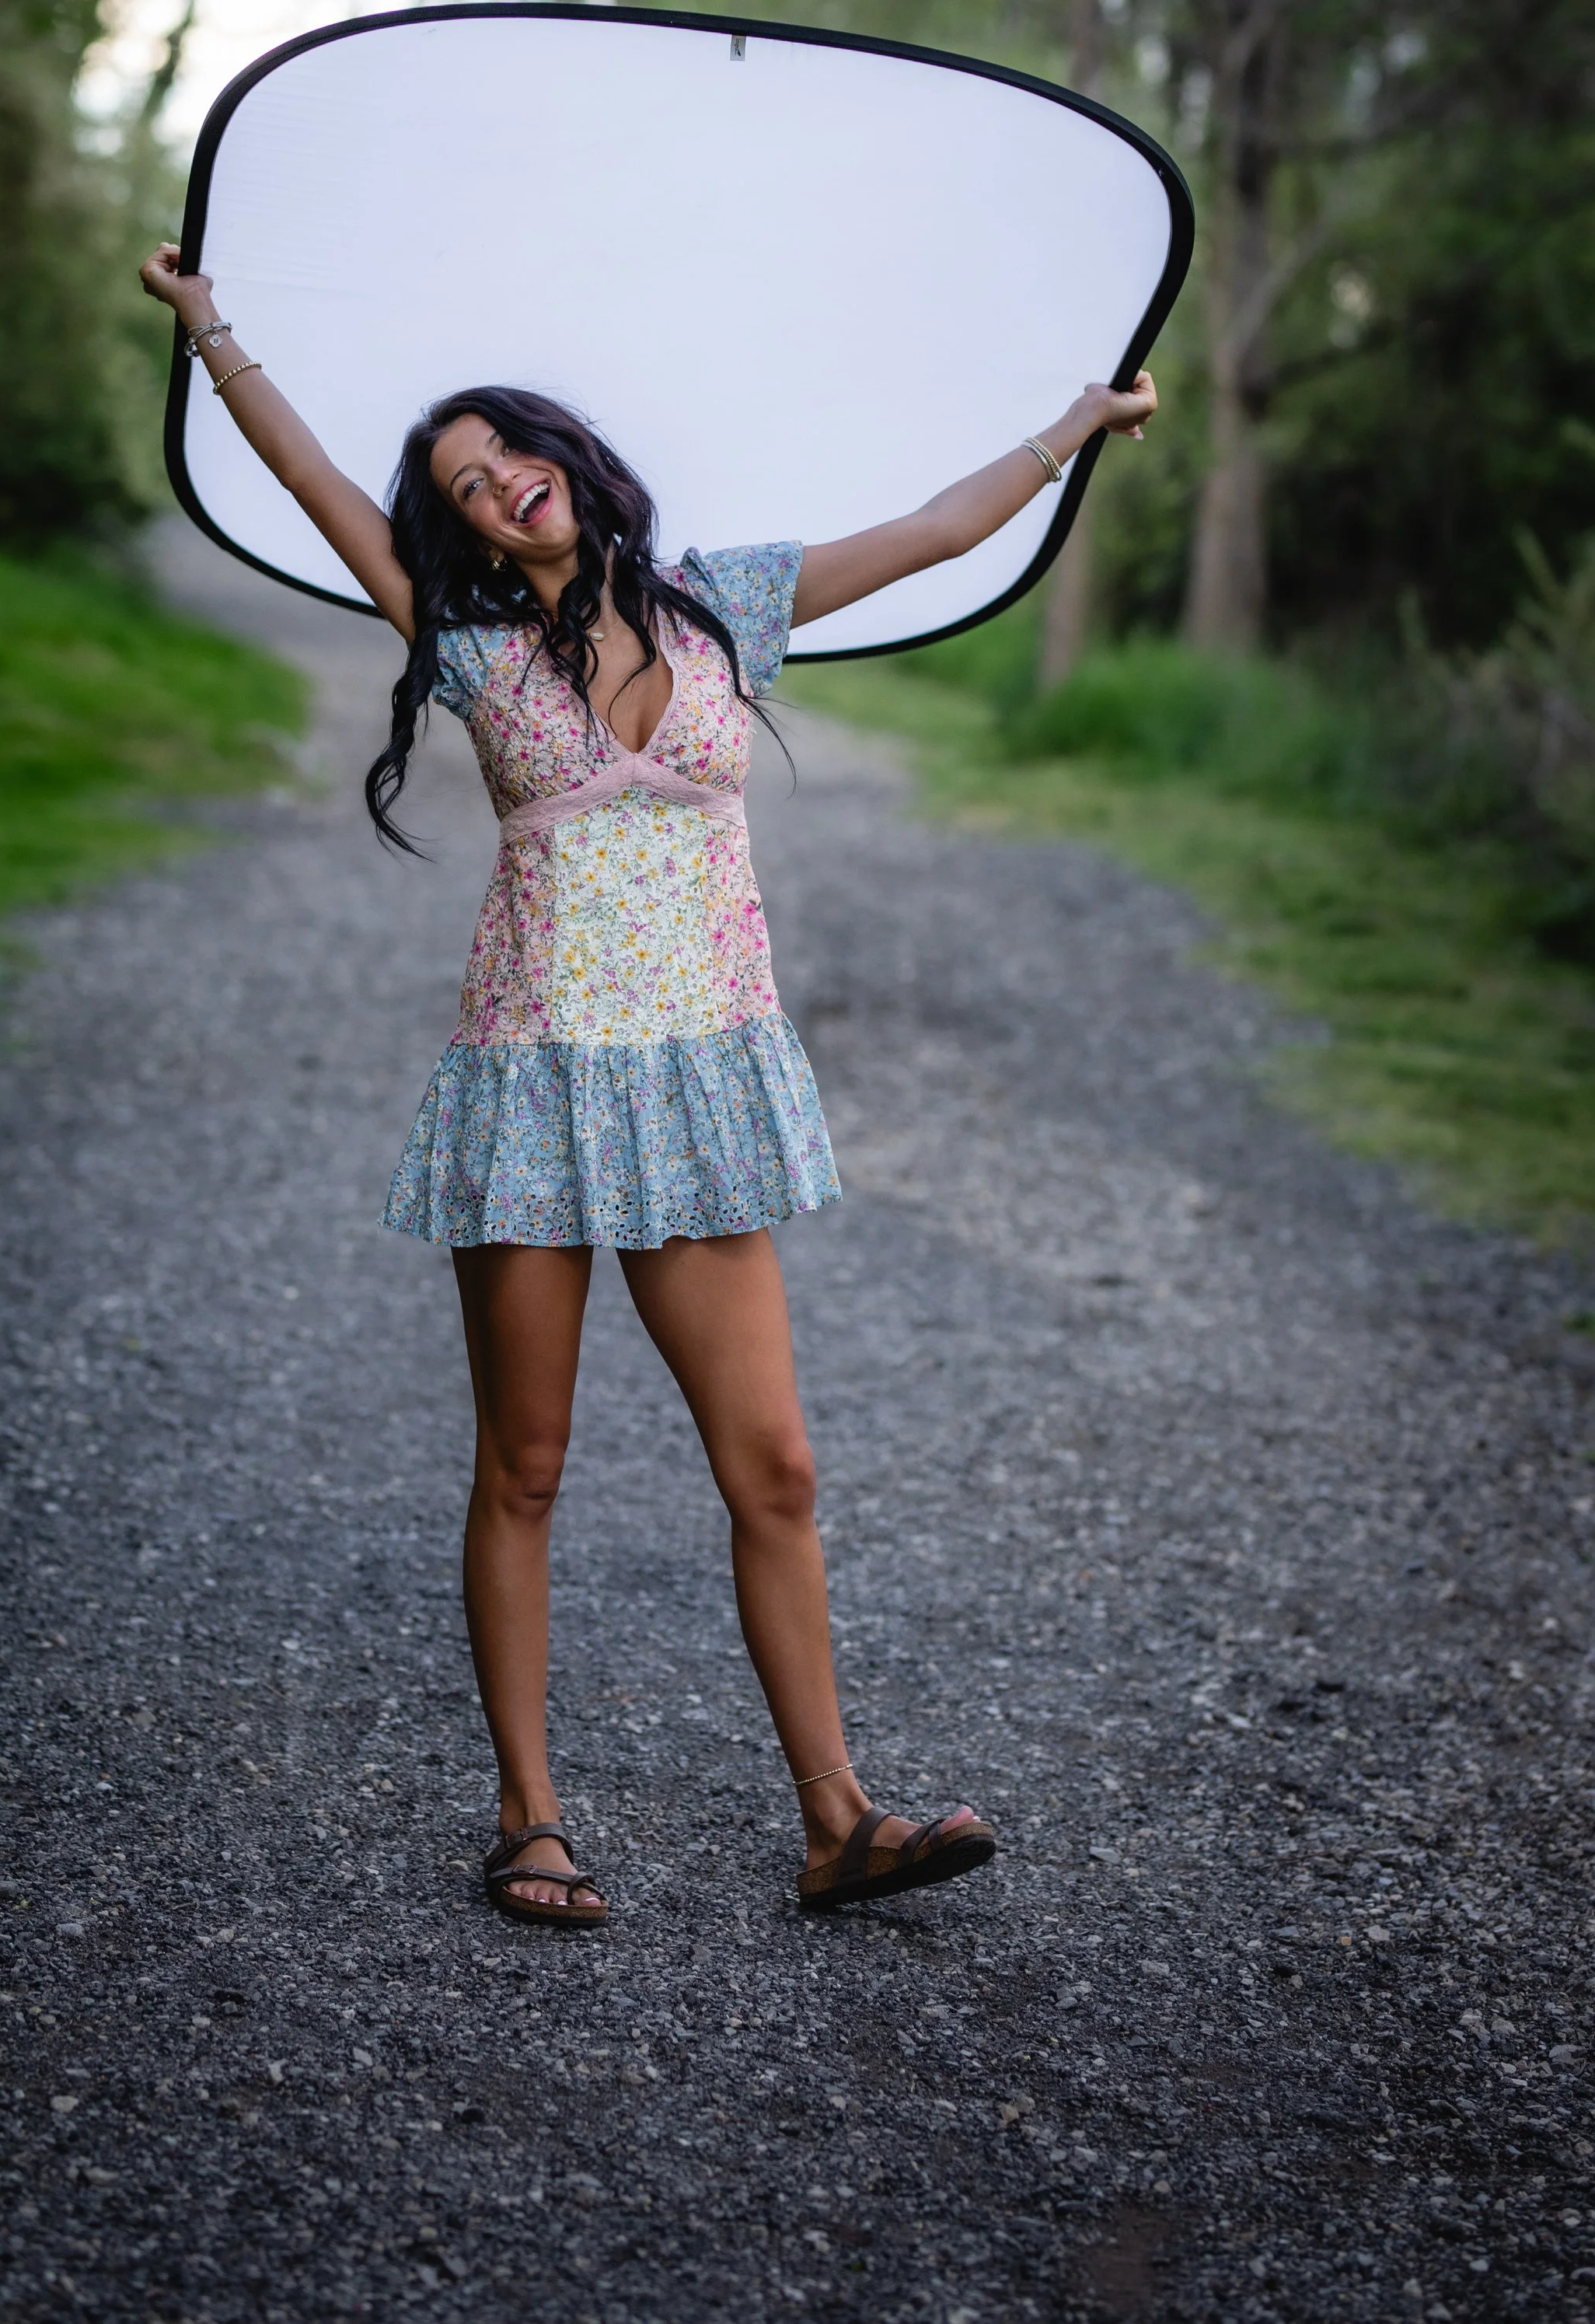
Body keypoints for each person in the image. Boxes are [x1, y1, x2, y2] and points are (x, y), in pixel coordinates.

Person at [141, 239, 1157, 1927]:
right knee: (522, 1466)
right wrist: (209, 328)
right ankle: (528, 1816)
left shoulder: (721, 603)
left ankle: (838, 1821)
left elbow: (935, 532)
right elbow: (317, 482)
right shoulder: (465, 648)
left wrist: (1076, 422)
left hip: (694, 1087)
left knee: (774, 1469)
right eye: (461, 486)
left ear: (567, 456)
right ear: (459, 528)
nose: (492, 489)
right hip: (535, 1083)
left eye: (505, 454)